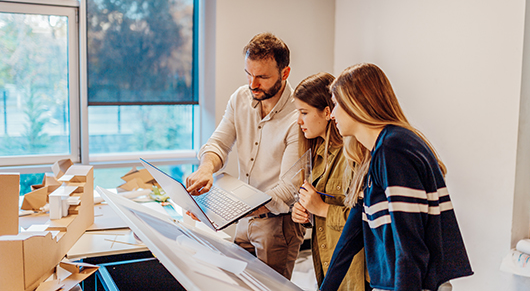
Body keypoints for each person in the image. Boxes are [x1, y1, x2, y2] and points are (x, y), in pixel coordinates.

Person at [320, 63, 473, 291]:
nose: (331, 114)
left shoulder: (394, 151)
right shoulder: (378, 154)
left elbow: (409, 246)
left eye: (335, 104)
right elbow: (350, 238)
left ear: (356, 103)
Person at [185, 32, 305, 279]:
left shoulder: (298, 116)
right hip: (244, 218)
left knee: (269, 286)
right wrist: (206, 168)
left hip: (278, 224)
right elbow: (218, 143)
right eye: (249, 74)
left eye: (262, 77)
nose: (253, 84)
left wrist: (229, 208)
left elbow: (287, 190)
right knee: (237, 283)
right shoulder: (240, 98)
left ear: (285, 73)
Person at [290, 72, 369, 290]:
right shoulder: (316, 157)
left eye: (304, 112)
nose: (299, 121)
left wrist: (322, 208)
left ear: (327, 112)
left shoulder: (353, 156)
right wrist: (305, 212)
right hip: (328, 267)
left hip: (355, 275)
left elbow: (365, 221)